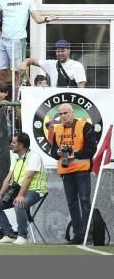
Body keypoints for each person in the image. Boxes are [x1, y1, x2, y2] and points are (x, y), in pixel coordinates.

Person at [47, 104, 98, 245]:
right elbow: (53, 151)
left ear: (72, 112)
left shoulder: (85, 126)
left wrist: (74, 154)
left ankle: (88, 234)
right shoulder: (56, 129)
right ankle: (78, 235)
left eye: (65, 113)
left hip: (82, 170)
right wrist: (58, 153)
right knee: (72, 204)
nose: (63, 116)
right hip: (66, 171)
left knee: (85, 202)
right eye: (61, 114)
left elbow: (91, 149)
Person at [0, 132, 47, 245]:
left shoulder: (34, 156)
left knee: (19, 203)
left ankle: (22, 236)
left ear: (21, 145)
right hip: (20, 190)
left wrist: (20, 196)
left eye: (13, 142)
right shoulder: (15, 157)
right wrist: (0, 195)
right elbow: (8, 178)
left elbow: (28, 177)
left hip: (36, 190)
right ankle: (8, 235)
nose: (11, 144)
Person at [18, 40, 87, 88]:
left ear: (69, 51)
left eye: (62, 51)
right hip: (55, 100)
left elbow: (81, 87)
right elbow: (32, 61)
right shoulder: (51, 64)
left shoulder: (77, 65)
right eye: (58, 51)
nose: (60, 53)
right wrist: (24, 63)